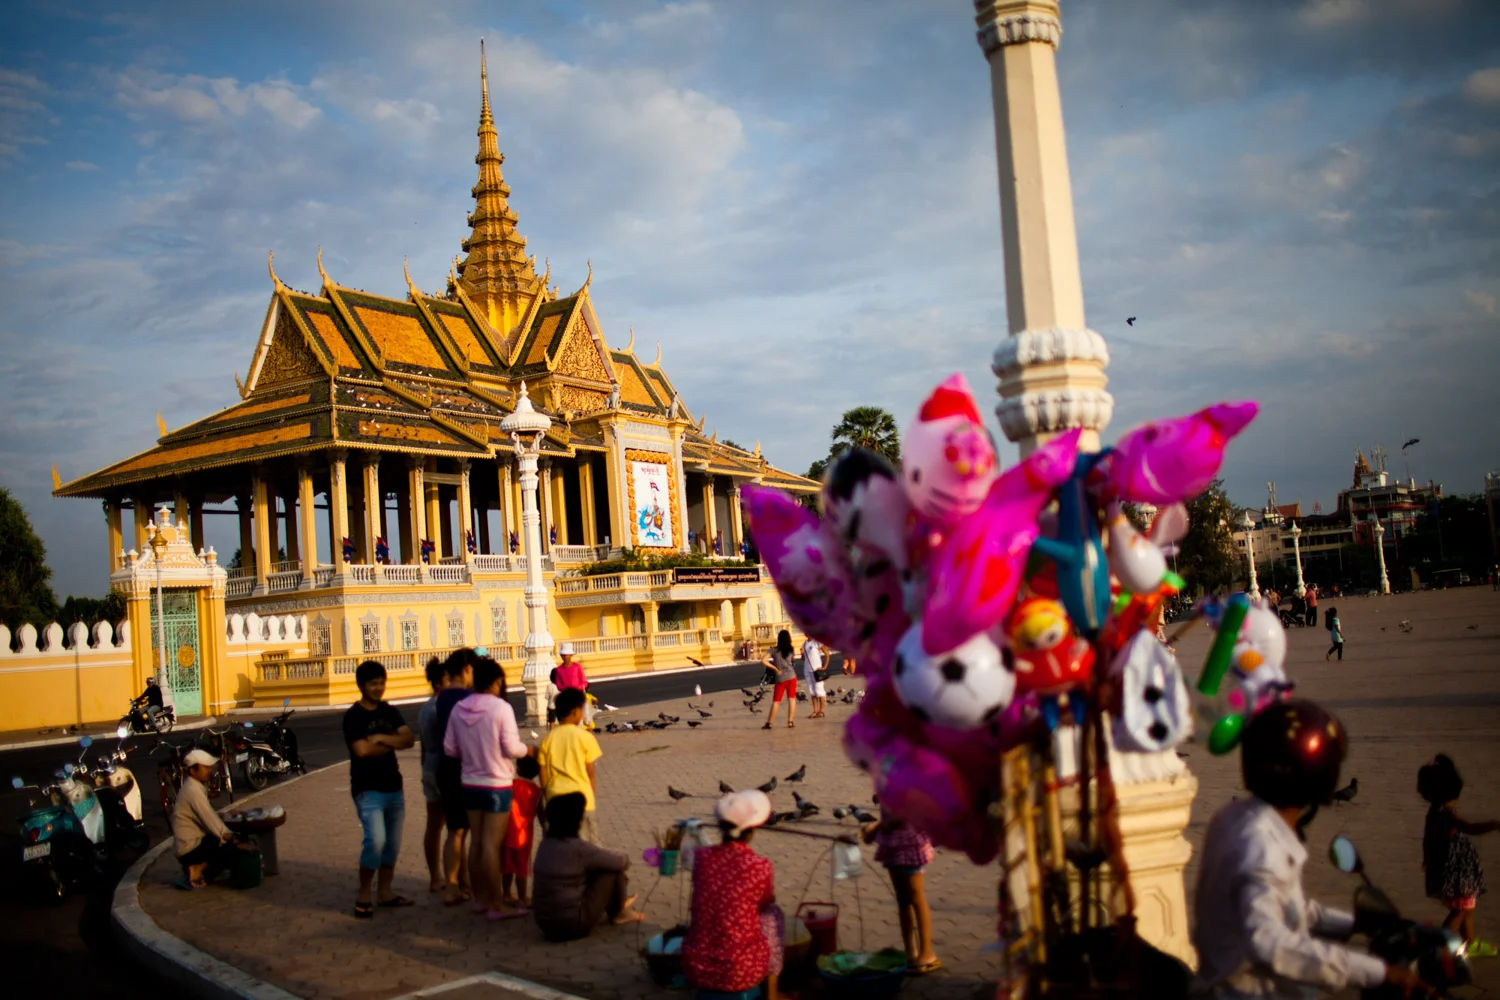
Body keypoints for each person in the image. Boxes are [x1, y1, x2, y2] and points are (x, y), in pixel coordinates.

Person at [1192, 699, 1425, 997]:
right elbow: (1269, 941)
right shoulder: (1262, 846)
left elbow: (1291, 910)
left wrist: (1359, 924)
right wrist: (1379, 973)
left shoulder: (1234, 818)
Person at [443, 654, 531, 921]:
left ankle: (480, 898)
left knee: (478, 843)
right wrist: (531, 750)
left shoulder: (459, 708)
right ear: (496, 682)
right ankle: (497, 903)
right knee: (492, 846)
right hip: (496, 784)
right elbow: (512, 748)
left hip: (469, 783)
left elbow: (450, 748)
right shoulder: (500, 708)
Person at [683, 789, 782, 999]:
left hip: (696, 964)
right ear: (752, 830)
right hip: (742, 970)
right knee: (773, 916)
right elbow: (764, 904)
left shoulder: (702, 858)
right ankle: (772, 991)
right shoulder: (760, 866)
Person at [343, 660, 416, 918]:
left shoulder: (389, 711)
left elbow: (409, 739)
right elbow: (362, 750)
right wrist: (392, 743)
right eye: (373, 683)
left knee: (392, 845)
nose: (378, 687)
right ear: (362, 685)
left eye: (381, 682)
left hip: (393, 787)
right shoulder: (353, 717)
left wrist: (383, 739)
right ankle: (364, 893)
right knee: (375, 841)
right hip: (367, 789)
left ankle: (384, 892)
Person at [1419, 753, 1500, 957]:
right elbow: (1470, 827)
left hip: (1448, 869)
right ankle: (1438, 946)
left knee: (1467, 907)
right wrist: (1492, 825)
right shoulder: (1447, 815)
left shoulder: (1433, 813)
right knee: (1460, 911)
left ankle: (1469, 942)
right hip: (1456, 873)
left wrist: (1427, 858)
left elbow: (1428, 840)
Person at [532, 792, 642, 940]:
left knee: (595, 868)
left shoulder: (545, 845)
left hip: (545, 923)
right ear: (576, 821)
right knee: (612, 871)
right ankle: (619, 912)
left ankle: (616, 902)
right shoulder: (579, 849)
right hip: (573, 924)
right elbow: (620, 862)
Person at [863, 811, 940, 974]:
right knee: (902, 900)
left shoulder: (906, 786)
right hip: (893, 843)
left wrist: (876, 828)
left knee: (916, 897)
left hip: (910, 843)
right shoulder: (886, 786)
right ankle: (910, 951)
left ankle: (927, 952)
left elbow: (904, 812)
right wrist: (876, 828)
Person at [433, 649, 476, 905]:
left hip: (444, 766)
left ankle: (458, 883)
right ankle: (459, 883)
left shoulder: (443, 697)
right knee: (466, 831)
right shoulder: (468, 698)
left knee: (455, 830)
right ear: (468, 669)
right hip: (465, 768)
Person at [539, 687, 605, 844]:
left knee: (559, 845)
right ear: (576, 712)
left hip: (556, 800)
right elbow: (590, 773)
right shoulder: (585, 737)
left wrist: (548, 794)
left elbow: (543, 774)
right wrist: (591, 796)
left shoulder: (548, 740)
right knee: (588, 846)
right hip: (582, 800)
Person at [172, 748, 235, 889]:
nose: (209, 771)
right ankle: (197, 869)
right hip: (189, 848)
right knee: (230, 849)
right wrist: (231, 837)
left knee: (223, 843)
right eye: (205, 767)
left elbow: (207, 815)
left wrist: (225, 817)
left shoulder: (194, 787)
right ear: (193, 771)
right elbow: (210, 820)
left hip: (190, 845)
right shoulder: (193, 791)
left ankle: (196, 870)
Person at [417, 657, 450, 894]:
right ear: (440, 683)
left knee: (434, 825)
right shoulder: (442, 708)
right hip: (443, 768)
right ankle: (453, 877)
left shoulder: (426, 708)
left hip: (429, 766)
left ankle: (435, 877)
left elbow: (422, 747)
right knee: (454, 828)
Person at [502, 755, 543, 908]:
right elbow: (540, 813)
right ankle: (522, 897)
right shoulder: (537, 791)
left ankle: (506, 894)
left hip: (507, 831)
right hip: (524, 835)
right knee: (522, 868)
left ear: (517, 769)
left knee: (506, 865)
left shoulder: (511, 785)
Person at [761, 630, 798, 730]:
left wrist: (775, 668)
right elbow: (792, 661)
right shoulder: (791, 650)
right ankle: (790, 721)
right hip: (792, 676)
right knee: (791, 699)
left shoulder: (773, 650)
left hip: (780, 677)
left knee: (776, 701)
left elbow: (763, 660)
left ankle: (770, 722)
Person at [802, 637, 827, 719]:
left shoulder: (817, 642)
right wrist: (802, 653)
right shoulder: (804, 644)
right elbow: (804, 659)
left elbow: (827, 654)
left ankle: (822, 710)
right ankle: (815, 710)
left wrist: (824, 666)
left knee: (819, 690)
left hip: (817, 670)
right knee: (812, 691)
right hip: (808, 670)